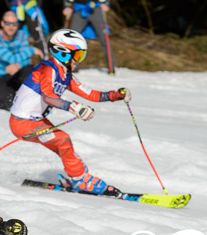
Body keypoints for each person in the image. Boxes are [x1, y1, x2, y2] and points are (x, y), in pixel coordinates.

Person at [9, 29, 131, 194]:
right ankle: (80, 180)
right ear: (64, 53)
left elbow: (91, 94)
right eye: (78, 56)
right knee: (62, 139)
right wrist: (74, 107)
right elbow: (48, 97)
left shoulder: (65, 75)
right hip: (22, 123)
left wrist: (116, 95)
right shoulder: (49, 69)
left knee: (65, 147)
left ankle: (77, 175)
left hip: (37, 121)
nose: (79, 61)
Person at [0, 11, 44, 110]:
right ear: (2, 23)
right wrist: (32, 50)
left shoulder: (21, 36)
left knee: (32, 70)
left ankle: (38, 98)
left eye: (14, 24)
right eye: (7, 23)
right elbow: (11, 58)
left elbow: (27, 61)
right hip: (0, 76)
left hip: (17, 72)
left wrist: (18, 65)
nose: (11, 26)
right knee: (6, 106)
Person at [63, 0, 115, 74]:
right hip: (79, 8)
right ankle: (72, 66)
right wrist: (67, 6)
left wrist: (106, 3)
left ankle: (111, 67)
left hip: (96, 7)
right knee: (73, 38)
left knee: (104, 38)